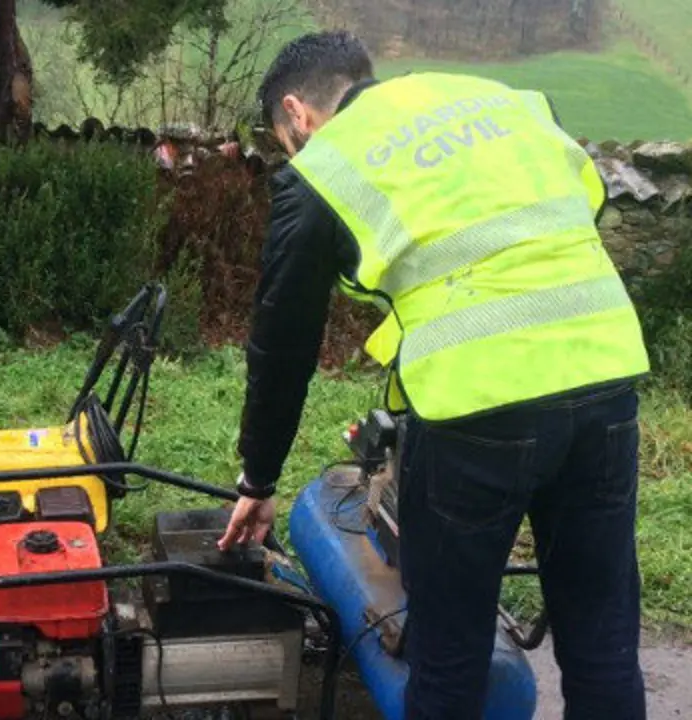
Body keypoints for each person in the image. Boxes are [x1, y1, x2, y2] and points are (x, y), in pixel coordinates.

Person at [215, 30, 649, 720]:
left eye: (284, 138)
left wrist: (258, 480)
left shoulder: (327, 164)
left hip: (478, 411)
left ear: (297, 114)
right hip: (607, 380)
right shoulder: (504, 101)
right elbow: (582, 202)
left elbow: (282, 343)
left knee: (449, 660)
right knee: (602, 647)